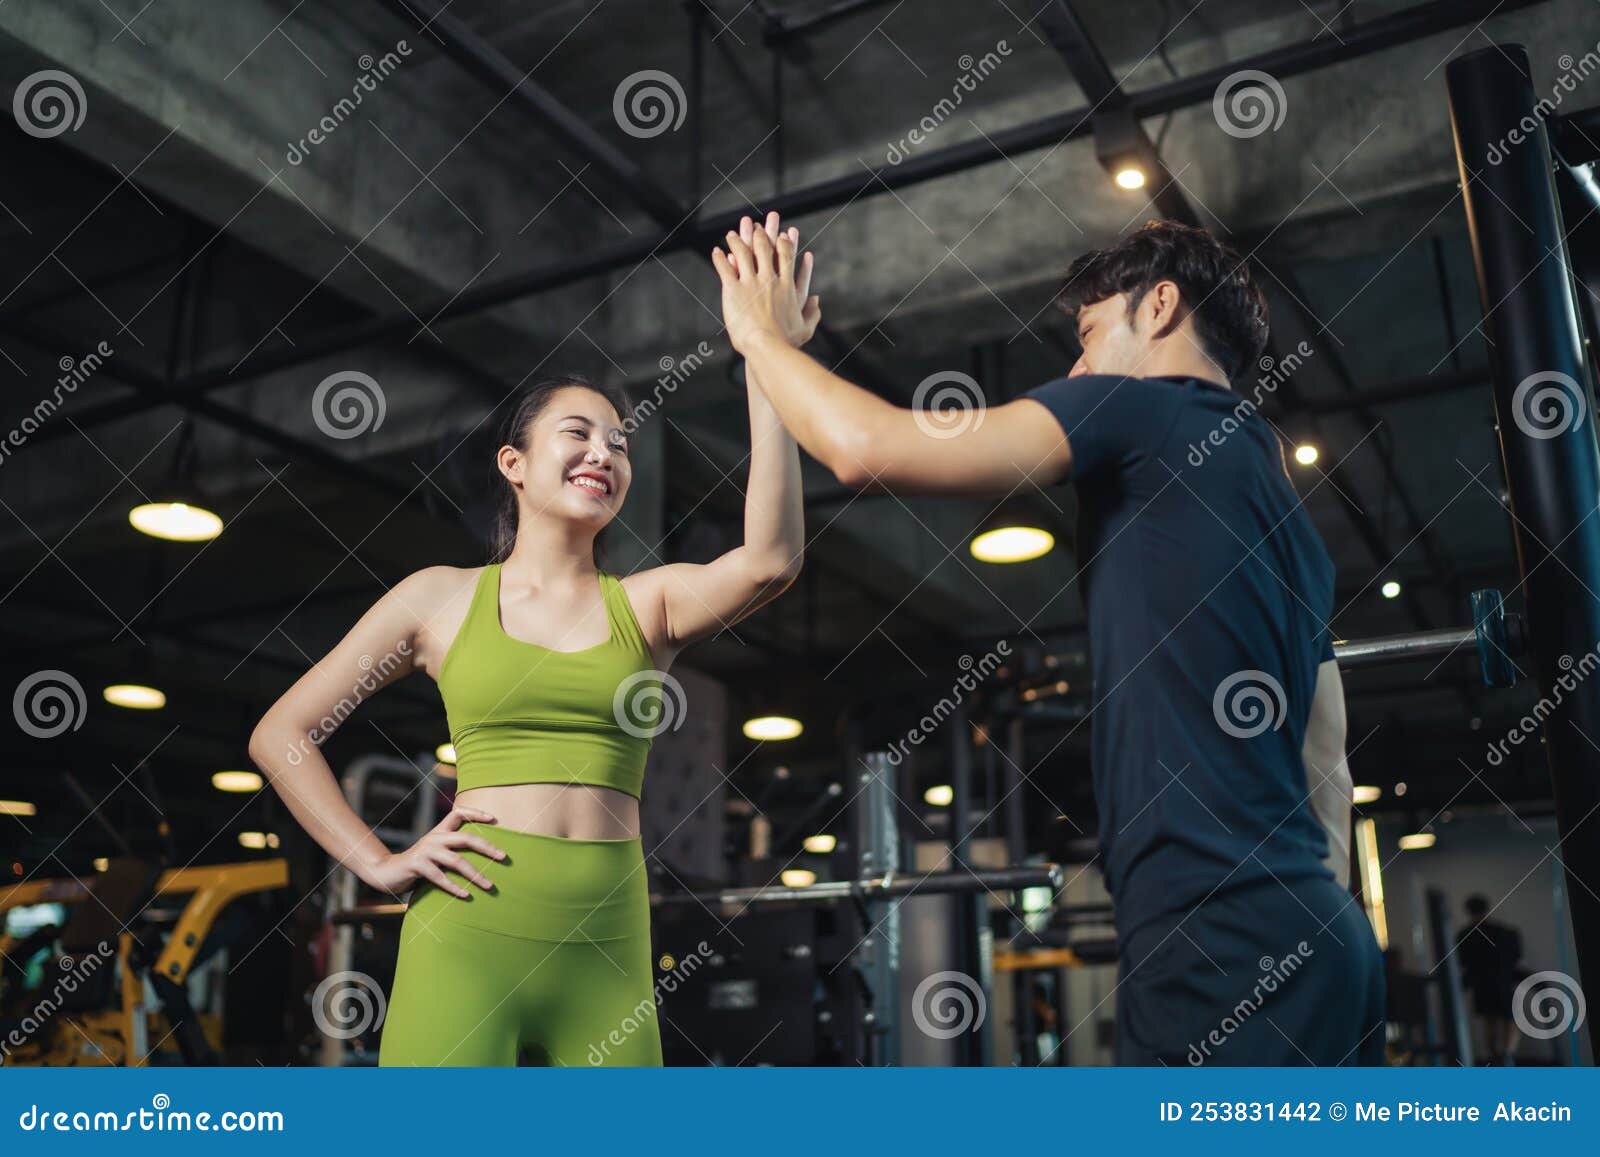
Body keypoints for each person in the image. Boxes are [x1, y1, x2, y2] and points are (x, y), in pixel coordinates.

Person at [712, 214, 1384, 1065]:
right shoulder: (1287, 513)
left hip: (1220, 935)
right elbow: (1329, 771)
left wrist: (759, 339)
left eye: (1091, 333)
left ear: (1162, 306)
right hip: (1325, 942)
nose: (1075, 367)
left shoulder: (1140, 409)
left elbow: (863, 448)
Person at [248, 215, 814, 1066]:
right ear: (514, 465)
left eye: (619, 442)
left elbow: (770, 559)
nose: (605, 452)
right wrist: (375, 859)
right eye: (578, 434)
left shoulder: (647, 605)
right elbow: (280, 734)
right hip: (468, 937)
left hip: (609, 950)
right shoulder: (436, 601)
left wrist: (767, 356)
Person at [1455, 893, 1524, 1064]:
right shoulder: (1504, 931)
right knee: (1510, 1020)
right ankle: (1507, 1055)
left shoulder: (1463, 935)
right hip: (1503, 982)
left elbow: (1461, 961)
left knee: (1489, 1020)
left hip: (1481, 985)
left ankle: (1494, 1056)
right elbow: (1516, 956)